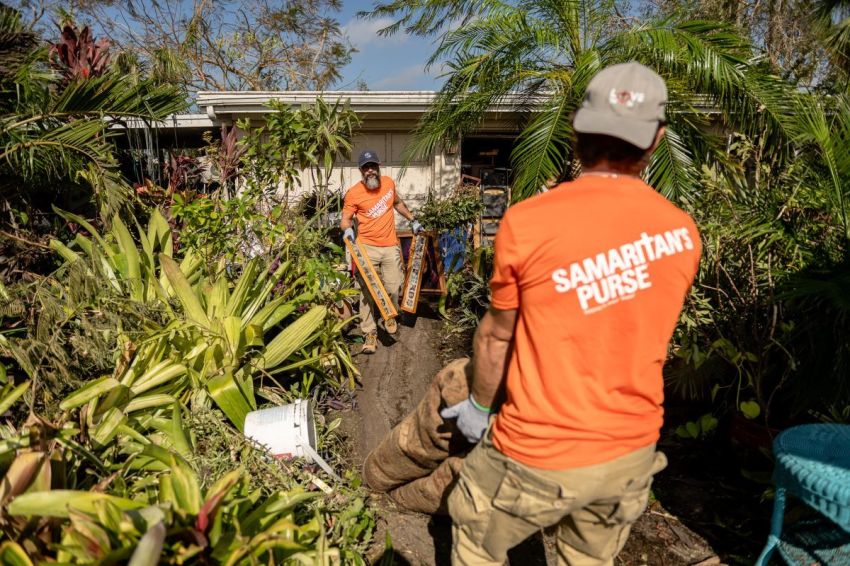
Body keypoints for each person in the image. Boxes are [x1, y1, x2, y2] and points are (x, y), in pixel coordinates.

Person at [440, 62, 702, 565]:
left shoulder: (528, 221)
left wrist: (478, 408)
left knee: (475, 543)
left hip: (534, 450)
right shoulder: (682, 233)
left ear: (576, 130)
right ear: (655, 142)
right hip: (627, 455)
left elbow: (497, 338)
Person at [341, 149, 423, 354]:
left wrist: (413, 219)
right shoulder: (353, 193)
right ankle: (369, 333)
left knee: (395, 287)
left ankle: (389, 315)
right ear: (361, 171)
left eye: (373, 166)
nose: (370, 171)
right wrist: (347, 229)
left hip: (389, 245)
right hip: (365, 247)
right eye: (366, 168)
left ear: (378, 167)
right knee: (367, 291)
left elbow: (397, 203)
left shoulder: (388, 184)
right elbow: (345, 219)